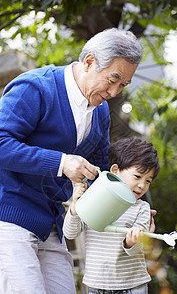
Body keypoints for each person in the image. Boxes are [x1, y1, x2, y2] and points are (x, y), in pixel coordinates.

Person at [0, 28, 143, 293]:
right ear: (89, 62)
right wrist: (61, 163)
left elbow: (99, 177)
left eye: (123, 85)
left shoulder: (101, 114)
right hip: (9, 219)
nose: (114, 92)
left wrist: (132, 215)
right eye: (113, 79)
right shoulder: (36, 87)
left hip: (51, 224)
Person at [63, 137, 160, 294]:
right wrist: (75, 206)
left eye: (148, 181)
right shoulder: (94, 198)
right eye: (137, 177)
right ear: (115, 171)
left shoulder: (142, 208)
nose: (142, 185)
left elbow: (137, 249)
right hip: (96, 286)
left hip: (132, 286)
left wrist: (131, 242)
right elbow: (70, 233)